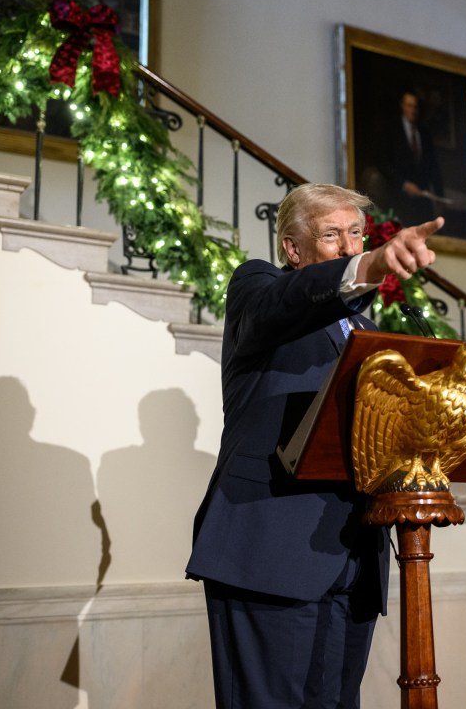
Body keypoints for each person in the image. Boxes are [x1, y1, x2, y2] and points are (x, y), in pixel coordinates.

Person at [186, 183, 444, 709]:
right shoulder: (258, 289)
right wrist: (371, 266)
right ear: (293, 248)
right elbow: (292, 300)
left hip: (353, 553)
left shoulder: (366, 329)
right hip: (270, 549)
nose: (350, 247)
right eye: (332, 236)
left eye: (357, 234)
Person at [376, 90, 445, 227]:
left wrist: (439, 195)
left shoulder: (424, 134)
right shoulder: (392, 130)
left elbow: (433, 166)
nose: (412, 110)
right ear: (402, 106)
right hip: (398, 198)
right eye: (409, 106)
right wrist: (404, 184)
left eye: (415, 107)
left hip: (421, 202)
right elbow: (383, 162)